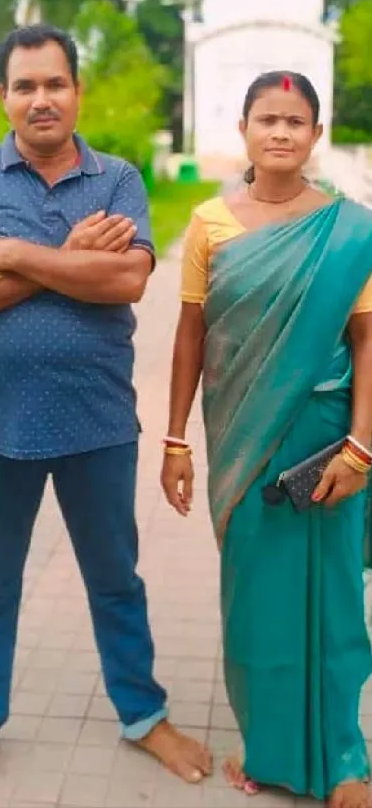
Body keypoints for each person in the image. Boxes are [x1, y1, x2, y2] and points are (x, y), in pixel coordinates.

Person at [0, 23, 212, 783]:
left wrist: (8, 253)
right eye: (25, 85)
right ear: (4, 96)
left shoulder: (118, 179)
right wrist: (73, 259)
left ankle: (142, 713)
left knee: (116, 578)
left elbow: (128, 281)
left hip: (98, 422)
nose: (41, 99)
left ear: (77, 91)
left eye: (55, 83)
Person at [161, 70, 372, 808]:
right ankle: (268, 748)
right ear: (244, 130)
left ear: (316, 135)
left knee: (336, 593)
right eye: (266, 118)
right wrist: (174, 441)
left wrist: (361, 446)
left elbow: (366, 339)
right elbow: (189, 336)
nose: (280, 131)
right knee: (255, 599)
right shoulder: (208, 223)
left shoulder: (349, 230)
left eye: (295, 120)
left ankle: (345, 755)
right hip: (243, 443)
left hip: (328, 439)